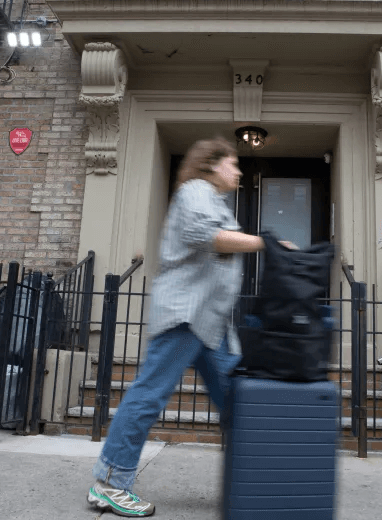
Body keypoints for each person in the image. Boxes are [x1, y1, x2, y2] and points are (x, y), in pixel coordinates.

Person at [87, 137, 271, 517]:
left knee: (237, 401)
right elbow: (205, 236)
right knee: (150, 393)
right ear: (211, 165)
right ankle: (109, 483)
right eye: (232, 163)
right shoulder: (196, 191)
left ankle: (251, 483)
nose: (238, 171)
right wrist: (264, 243)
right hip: (186, 314)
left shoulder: (213, 199)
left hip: (211, 323)